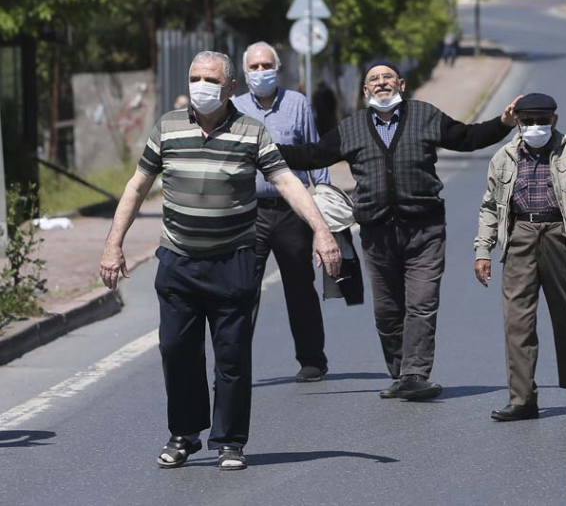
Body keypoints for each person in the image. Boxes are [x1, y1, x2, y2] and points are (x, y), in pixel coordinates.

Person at [99, 51, 341, 471]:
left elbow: (285, 181)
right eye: (195, 77)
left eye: (210, 79)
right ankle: (185, 433)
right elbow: (138, 186)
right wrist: (112, 244)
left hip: (233, 261)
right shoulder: (168, 126)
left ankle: (229, 440)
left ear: (231, 87)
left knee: (231, 355)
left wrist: (322, 231)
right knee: (176, 349)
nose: (200, 85)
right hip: (178, 260)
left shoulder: (252, 131)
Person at [278, 59, 521, 401]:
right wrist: (263, 150)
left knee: (421, 304)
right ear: (365, 91)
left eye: (387, 77)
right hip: (377, 235)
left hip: (425, 229)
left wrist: (503, 123)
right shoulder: (351, 128)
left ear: (401, 85)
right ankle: (400, 373)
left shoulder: (425, 116)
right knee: (388, 312)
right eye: (373, 79)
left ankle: (415, 373)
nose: (380, 83)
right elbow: (312, 155)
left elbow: (466, 137)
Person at [474, 93, 566, 421]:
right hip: (520, 236)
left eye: (542, 120)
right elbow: (490, 206)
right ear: (517, 122)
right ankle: (522, 399)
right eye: (528, 121)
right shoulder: (504, 156)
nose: (535, 126)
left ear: (554, 120)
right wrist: (483, 250)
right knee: (517, 322)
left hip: (561, 235)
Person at [232, 42, 333, 383]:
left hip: (291, 211)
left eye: (266, 65)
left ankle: (312, 359)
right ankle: (234, 364)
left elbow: (314, 153)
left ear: (278, 68)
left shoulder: (297, 104)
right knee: (242, 289)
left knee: (300, 286)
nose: (261, 72)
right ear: (244, 73)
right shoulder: (233, 108)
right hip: (249, 213)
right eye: (254, 67)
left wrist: (325, 210)